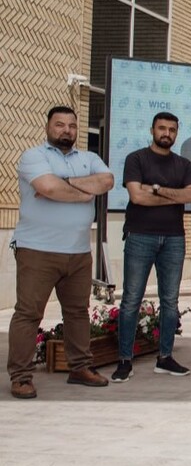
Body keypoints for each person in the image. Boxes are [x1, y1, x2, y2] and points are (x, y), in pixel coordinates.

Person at [9, 106, 114, 399]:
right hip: (37, 250)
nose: (66, 130)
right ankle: (20, 377)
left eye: (71, 125)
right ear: (48, 127)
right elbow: (46, 187)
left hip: (78, 252)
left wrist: (63, 183)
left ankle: (80, 368)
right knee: (29, 314)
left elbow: (106, 182)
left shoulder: (89, 158)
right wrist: (82, 191)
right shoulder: (33, 156)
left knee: (78, 313)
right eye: (59, 124)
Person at [111, 111, 191, 382]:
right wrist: (172, 195)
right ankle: (124, 360)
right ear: (152, 130)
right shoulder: (136, 159)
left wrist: (156, 190)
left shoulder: (184, 164)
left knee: (170, 301)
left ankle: (165, 357)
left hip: (174, 238)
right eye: (162, 128)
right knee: (131, 300)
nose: (167, 134)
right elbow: (137, 197)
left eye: (172, 130)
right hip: (140, 236)